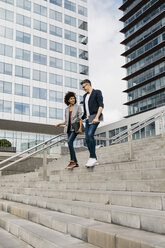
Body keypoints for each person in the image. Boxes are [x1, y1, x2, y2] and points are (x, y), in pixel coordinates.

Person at [55, 92, 83, 169]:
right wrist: (59, 124)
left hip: (75, 128)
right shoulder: (66, 109)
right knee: (70, 144)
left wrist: (80, 128)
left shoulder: (78, 107)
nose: (73, 99)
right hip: (68, 129)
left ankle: (72, 161)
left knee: (70, 142)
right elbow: (66, 121)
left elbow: (80, 118)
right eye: (71, 98)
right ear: (68, 100)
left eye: (74, 98)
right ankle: (76, 163)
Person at [81, 79, 104, 167]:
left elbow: (101, 105)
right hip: (88, 119)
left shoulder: (97, 92)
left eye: (84, 87)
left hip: (95, 117)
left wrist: (97, 117)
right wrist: (81, 117)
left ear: (88, 84)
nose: (83, 89)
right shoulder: (84, 96)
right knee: (87, 138)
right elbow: (86, 110)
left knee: (90, 134)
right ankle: (93, 159)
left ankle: (93, 157)